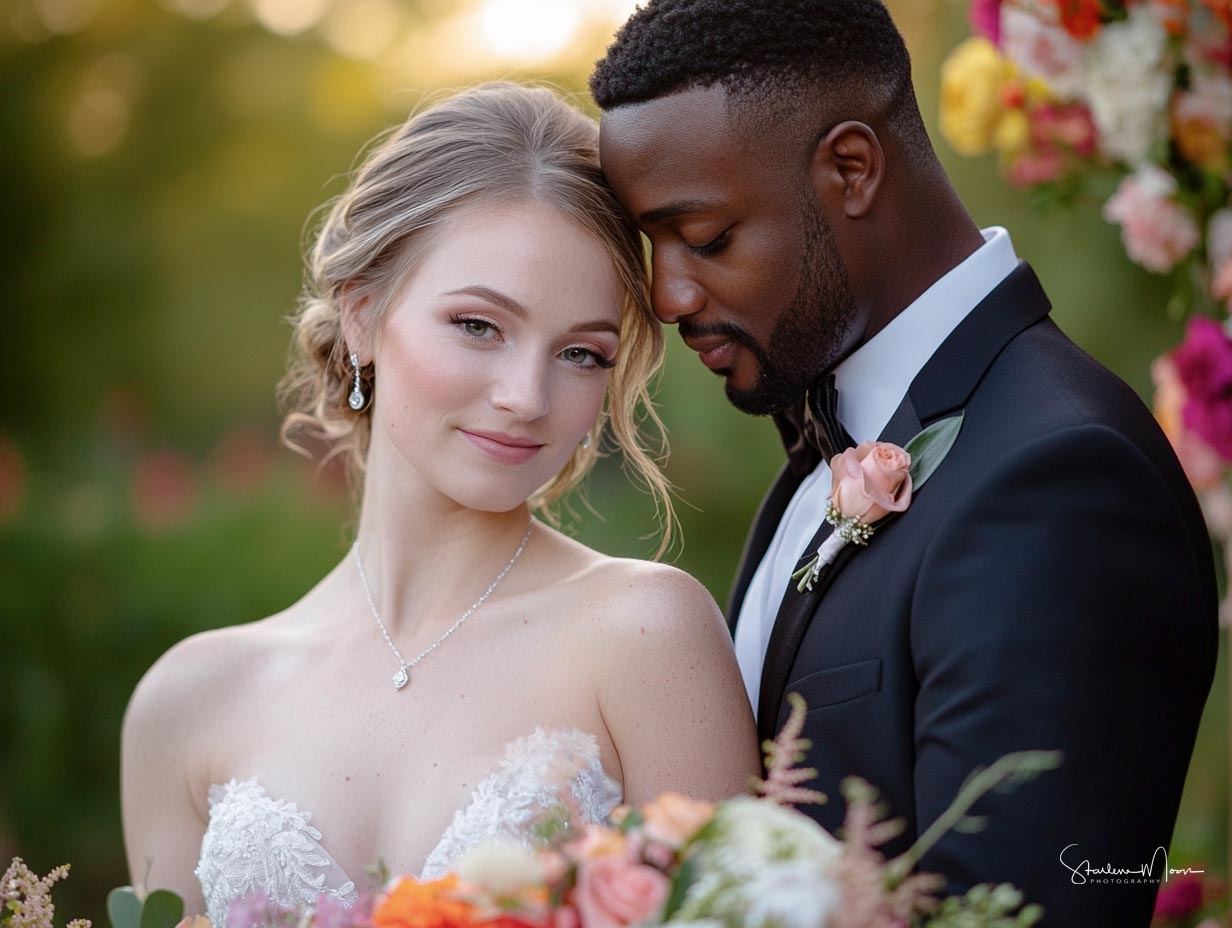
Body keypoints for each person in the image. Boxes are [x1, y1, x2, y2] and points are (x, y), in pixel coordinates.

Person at [590, 1, 1218, 925]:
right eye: (651, 246)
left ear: (851, 167)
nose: (667, 293)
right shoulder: (828, 427)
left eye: (708, 237)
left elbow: (1036, 903)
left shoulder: (1060, 480)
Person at [120, 82, 759, 925]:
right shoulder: (188, 702)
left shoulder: (645, 636)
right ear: (360, 313)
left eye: (580, 353)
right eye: (478, 326)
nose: (527, 396)